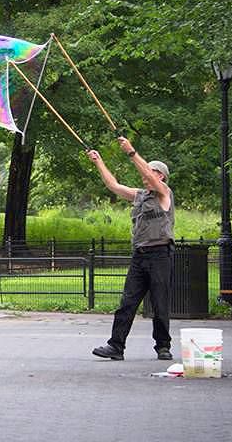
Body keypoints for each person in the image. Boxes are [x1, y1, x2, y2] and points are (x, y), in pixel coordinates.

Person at [86, 137, 175, 361]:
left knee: (160, 303)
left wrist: (131, 152)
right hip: (140, 256)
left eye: (151, 172)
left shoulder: (164, 193)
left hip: (159, 255)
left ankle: (163, 347)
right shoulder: (140, 195)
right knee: (127, 303)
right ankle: (116, 346)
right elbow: (113, 186)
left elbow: (146, 173)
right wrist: (99, 162)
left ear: (160, 176)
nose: (145, 176)